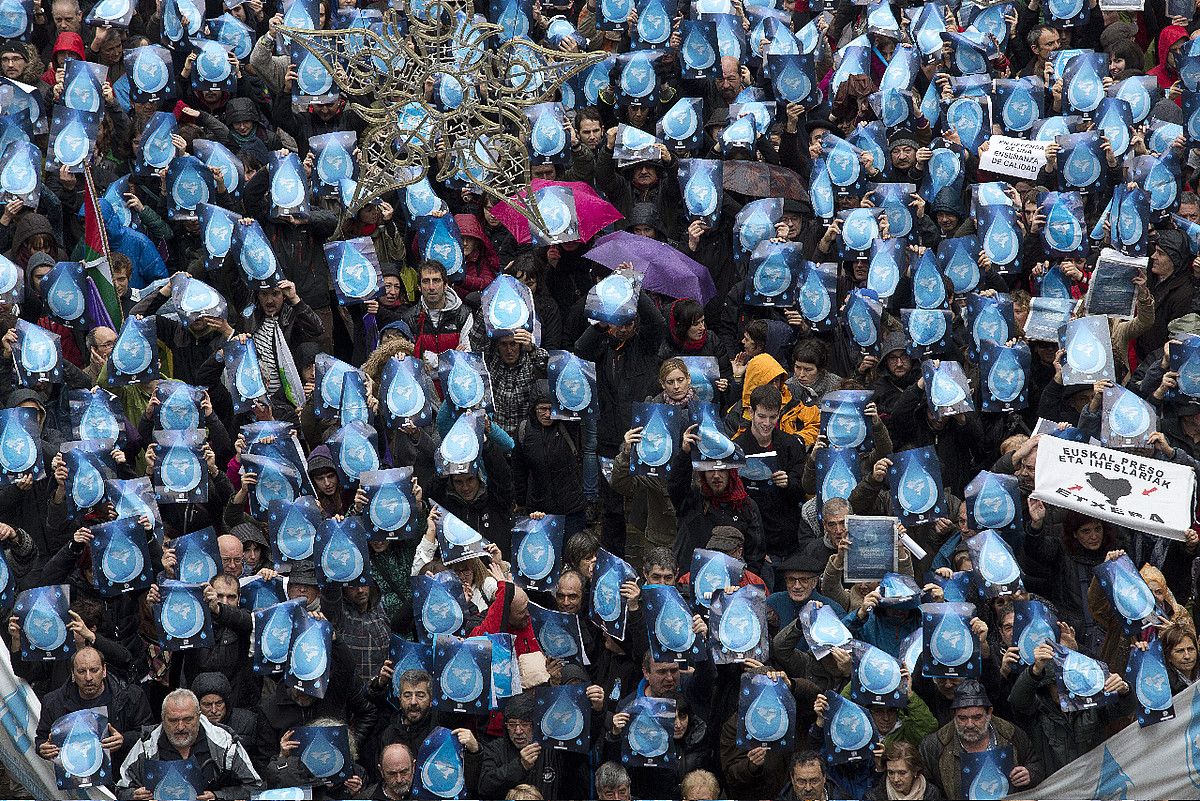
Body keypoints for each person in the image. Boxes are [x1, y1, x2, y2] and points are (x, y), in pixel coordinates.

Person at [116, 689, 262, 799]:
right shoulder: (146, 745)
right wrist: (133, 795)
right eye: (173, 720)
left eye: (188, 720)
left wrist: (218, 796)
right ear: (162, 718)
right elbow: (121, 789)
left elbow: (255, 787)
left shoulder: (225, 744)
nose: (180, 727)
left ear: (199, 717)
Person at [918, 680, 1041, 798]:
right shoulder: (935, 745)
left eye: (977, 717)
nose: (969, 724)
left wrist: (1029, 773)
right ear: (954, 714)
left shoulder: (1011, 734)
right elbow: (926, 787)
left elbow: (1035, 763)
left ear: (989, 713)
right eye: (962, 718)